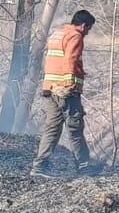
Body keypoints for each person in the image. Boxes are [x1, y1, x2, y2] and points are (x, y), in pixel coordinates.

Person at [31, 9, 95, 175]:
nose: (87, 33)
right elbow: (70, 60)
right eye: (88, 29)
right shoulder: (75, 36)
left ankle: (39, 165)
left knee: (52, 128)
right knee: (75, 127)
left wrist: (50, 86)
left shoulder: (58, 34)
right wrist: (69, 84)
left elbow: (52, 61)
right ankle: (83, 166)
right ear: (83, 26)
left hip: (51, 89)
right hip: (66, 91)